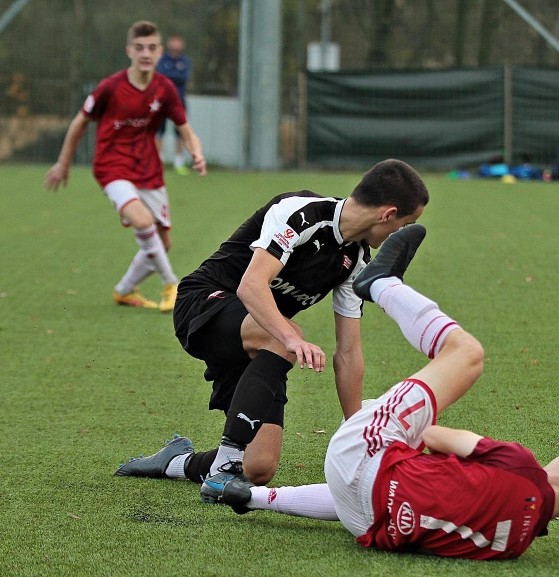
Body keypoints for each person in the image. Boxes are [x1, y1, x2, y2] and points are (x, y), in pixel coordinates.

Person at [199, 223, 559, 560]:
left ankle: (382, 284)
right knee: (376, 486)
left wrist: (384, 416)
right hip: (362, 520)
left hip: (359, 454)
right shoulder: (514, 544)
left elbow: (434, 436)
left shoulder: (521, 467)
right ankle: (249, 496)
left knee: (466, 354)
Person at [114, 159, 430, 496]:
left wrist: (356, 431)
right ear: (387, 214)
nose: (403, 234)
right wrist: (289, 338)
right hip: (205, 303)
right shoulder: (302, 212)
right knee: (285, 336)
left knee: (259, 468)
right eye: (406, 224)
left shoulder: (356, 262)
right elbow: (252, 286)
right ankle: (224, 467)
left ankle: (176, 461)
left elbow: (349, 352)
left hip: (260, 340)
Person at [43, 21, 206, 312]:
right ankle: (172, 284)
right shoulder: (110, 87)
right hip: (111, 167)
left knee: (162, 243)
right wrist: (62, 163)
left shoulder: (164, 88)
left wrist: (196, 151)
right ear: (129, 51)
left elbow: (185, 128)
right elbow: (80, 122)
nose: (146, 53)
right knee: (143, 223)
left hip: (148, 170)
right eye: (140, 48)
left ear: (159, 52)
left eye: (152, 48)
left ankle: (124, 290)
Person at [155, 35, 192, 175]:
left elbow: (184, 77)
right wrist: (173, 76)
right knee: (159, 131)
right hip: (162, 100)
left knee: (181, 132)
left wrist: (170, 76)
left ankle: (179, 161)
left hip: (179, 101)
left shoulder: (185, 61)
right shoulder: (162, 59)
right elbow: (161, 75)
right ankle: (159, 161)